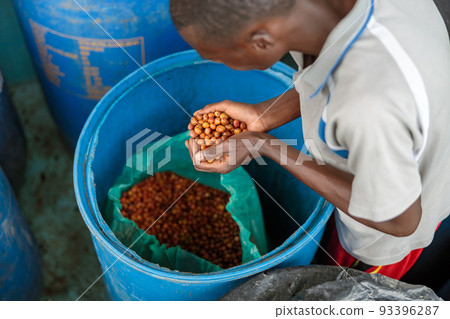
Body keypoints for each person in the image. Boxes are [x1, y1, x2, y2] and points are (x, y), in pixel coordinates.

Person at [169, 0, 450, 280]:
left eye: (220, 56)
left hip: (387, 225)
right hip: (402, 139)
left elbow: (399, 219)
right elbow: (327, 71)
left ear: (262, 41)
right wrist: (263, 115)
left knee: (343, 279)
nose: (221, 63)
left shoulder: (366, 104)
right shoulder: (318, 18)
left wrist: (267, 145)